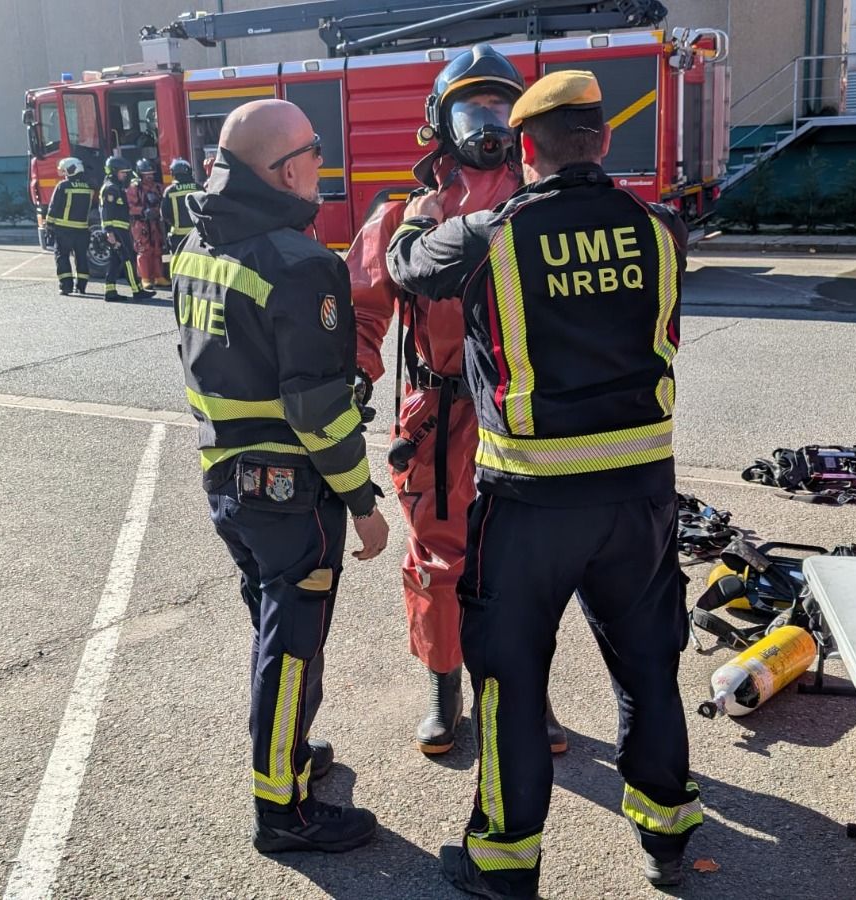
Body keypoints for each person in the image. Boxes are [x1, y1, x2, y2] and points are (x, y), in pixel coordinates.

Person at [386, 70, 699, 896]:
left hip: (530, 505)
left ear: (524, 148)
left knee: (510, 680)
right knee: (648, 667)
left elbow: (406, 266)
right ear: (603, 140)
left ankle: (503, 861)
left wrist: (418, 215)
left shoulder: (490, 234)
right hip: (640, 502)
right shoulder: (662, 228)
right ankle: (666, 837)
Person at [171, 98, 392, 855]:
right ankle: (282, 811)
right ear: (286, 170)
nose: (322, 167)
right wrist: (362, 502)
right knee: (292, 647)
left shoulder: (196, 246)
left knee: (275, 634)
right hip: (291, 495)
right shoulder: (301, 265)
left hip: (226, 482)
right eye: (315, 153)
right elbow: (319, 411)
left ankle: (288, 754)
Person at [347, 45, 565, 757]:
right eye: (474, 111)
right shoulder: (405, 216)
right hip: (439, 419)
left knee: (527, 563)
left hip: (524, 412)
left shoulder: (543, 203)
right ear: (442, 123)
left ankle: (526, 691)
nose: (489, 127)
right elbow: (362, 311)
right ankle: (444, 689)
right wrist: (353, 379)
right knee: (439, 560)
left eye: (502, 110)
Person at [98, 156, 152, 301]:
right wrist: (109, 232)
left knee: (115, 261)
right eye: (122, 172)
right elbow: (106, 212)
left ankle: (110, 292)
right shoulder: (110, 188)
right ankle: (137, 290)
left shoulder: (116, 187)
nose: (125, 175)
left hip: (120, 229)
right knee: (128, 259)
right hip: (116, 231)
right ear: (114, 171)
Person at [44, 156, 92, 295]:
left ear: (71, 170)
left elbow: (54, 207)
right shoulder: (89, 186)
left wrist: (49, 225)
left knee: (62, 256)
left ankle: (66, 286)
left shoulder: (63, 186)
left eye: (65, 171)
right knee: (81, 258)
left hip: (64, 230)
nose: (64, 174)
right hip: (82, 230)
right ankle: (81, 287)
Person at [129, 158, 169, 288]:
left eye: (151, 174)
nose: (149, 176)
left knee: (157, 249)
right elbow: (130, 206)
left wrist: (158, 211)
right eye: (146, 174)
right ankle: (145, 278)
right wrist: (143, 211)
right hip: (141, 223)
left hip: (156, 222)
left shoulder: (157, 187)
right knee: (144, 250)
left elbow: (164, 201)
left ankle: (159, 277)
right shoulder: (134, 188)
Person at [162, 158, 199, 262]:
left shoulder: (169, 191)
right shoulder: (198, 188)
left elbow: (164, 214)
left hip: (178, 237)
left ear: (173, 173)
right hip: (197, 235)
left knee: (179, 264)